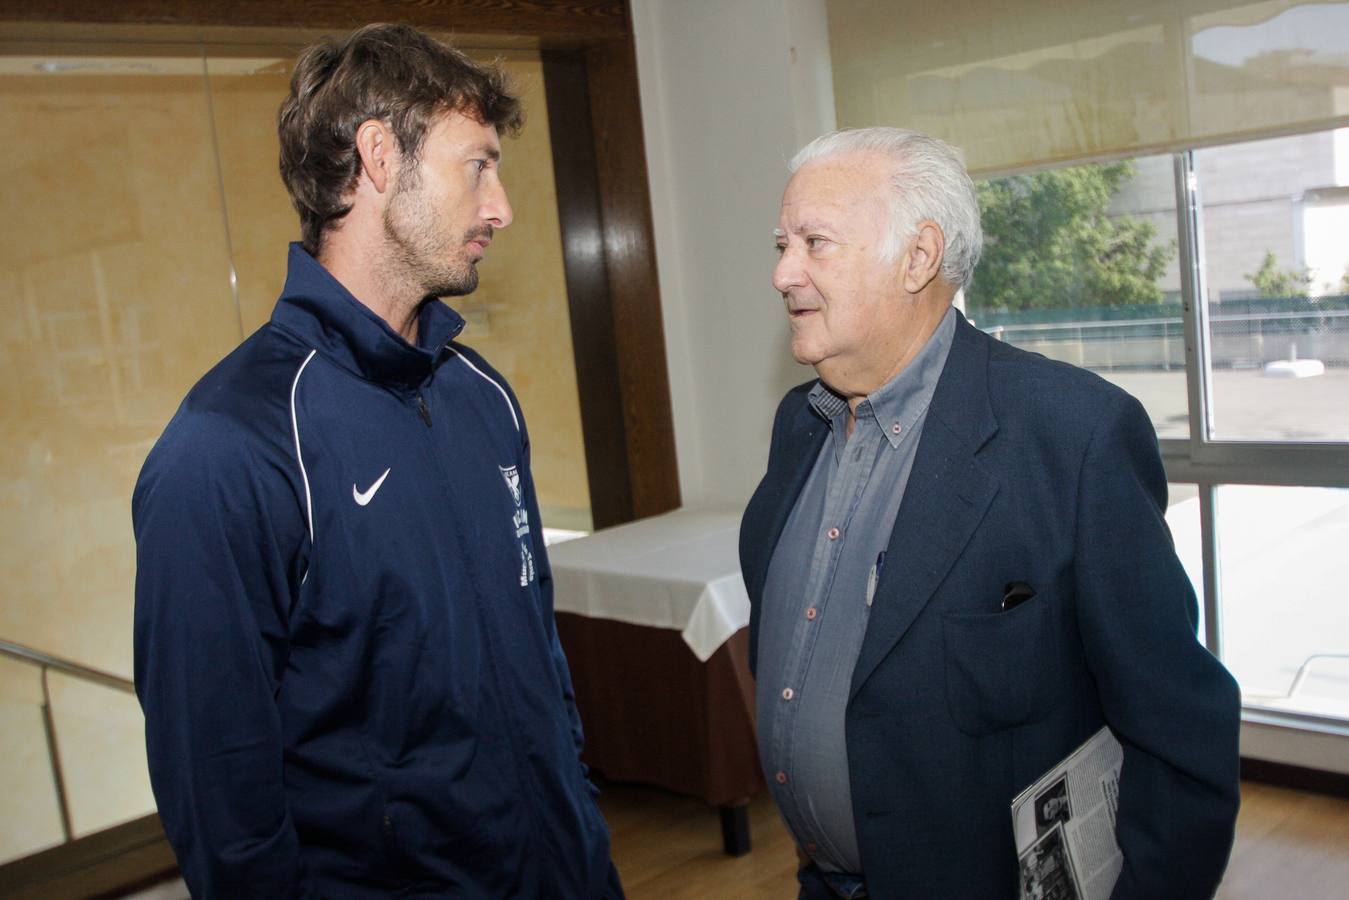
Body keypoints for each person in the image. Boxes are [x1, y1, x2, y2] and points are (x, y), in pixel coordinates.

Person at [133, 24, 621, 898]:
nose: (501, 205)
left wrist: (582, 829)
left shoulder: (483, 395)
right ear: (378, 157)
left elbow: (537, 664)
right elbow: (220, 789)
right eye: (478, 164)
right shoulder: (230, 446)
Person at [740, 127, 1240, 899]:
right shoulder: (795, 426)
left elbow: (1179, 732)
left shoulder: (1072, 434)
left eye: (814, 242)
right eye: (781, 242)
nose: (782, 272)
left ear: (918, 256)